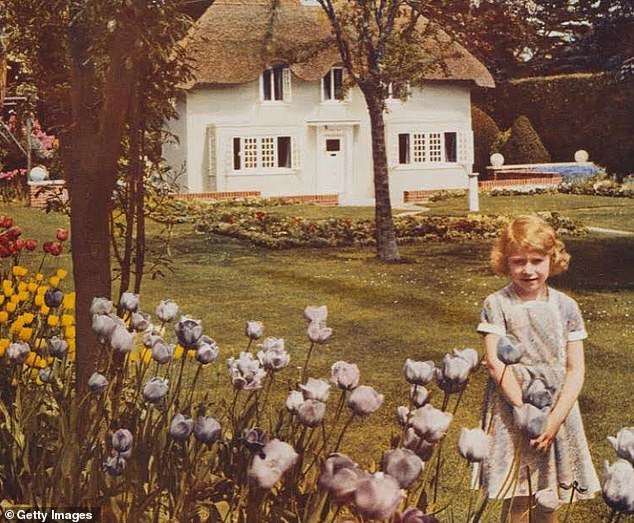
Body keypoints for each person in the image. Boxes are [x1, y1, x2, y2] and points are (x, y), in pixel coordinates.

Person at [474, 215, 600, 523]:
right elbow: (494, 361)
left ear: (552, 259)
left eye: (536, 260)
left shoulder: (566, 306)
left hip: (557, 410)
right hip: (512, 409)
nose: (528, 270)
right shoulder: (497, 304)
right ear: (506, 262)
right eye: (519, 261)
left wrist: (553, 420)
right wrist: (525, 411)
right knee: (518, 493)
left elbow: (575, 369)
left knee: (548, 498)